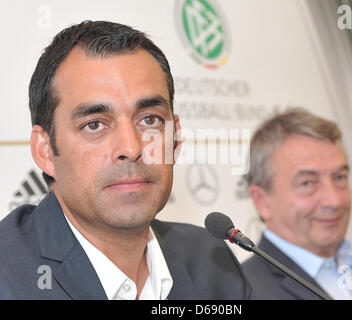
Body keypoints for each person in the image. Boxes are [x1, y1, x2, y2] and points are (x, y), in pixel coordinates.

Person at [0, 20, 250, 300]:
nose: (131, 148)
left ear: (175, 138)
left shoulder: (210, 261)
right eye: (95, 125)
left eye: (149, 120)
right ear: (45, 150)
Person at [242, 108, 352, 300]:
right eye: (307, 183)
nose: (334, 201)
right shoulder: (244, 292)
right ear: (262, 201)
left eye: (340, 177)